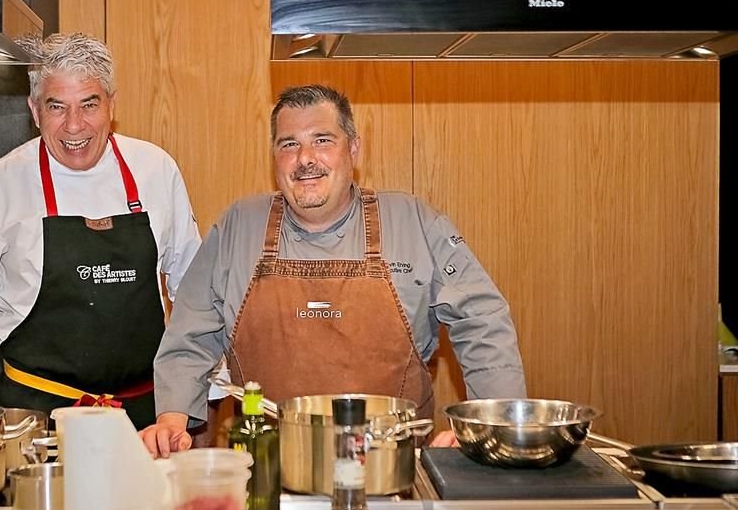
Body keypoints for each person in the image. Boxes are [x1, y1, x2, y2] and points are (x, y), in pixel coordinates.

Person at [139, 85, 526, 457]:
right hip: (268, 476)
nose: (305, 158)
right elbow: (189, 333)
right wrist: (171, 420)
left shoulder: (415, 222)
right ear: (274, 156)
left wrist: (491, 426)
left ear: (353, 149)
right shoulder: (239, 226)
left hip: (395, 473)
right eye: (289, 144)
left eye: (322, 140)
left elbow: (482, 320)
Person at [0, 33, 201, 429]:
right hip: (36, 421)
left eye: (89, 104)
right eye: (56, 106)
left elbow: (197, 293)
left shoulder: (155, 170)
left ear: (112, 104)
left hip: (145, 421)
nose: (73, 125)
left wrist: (197, 404)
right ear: (34, 109)